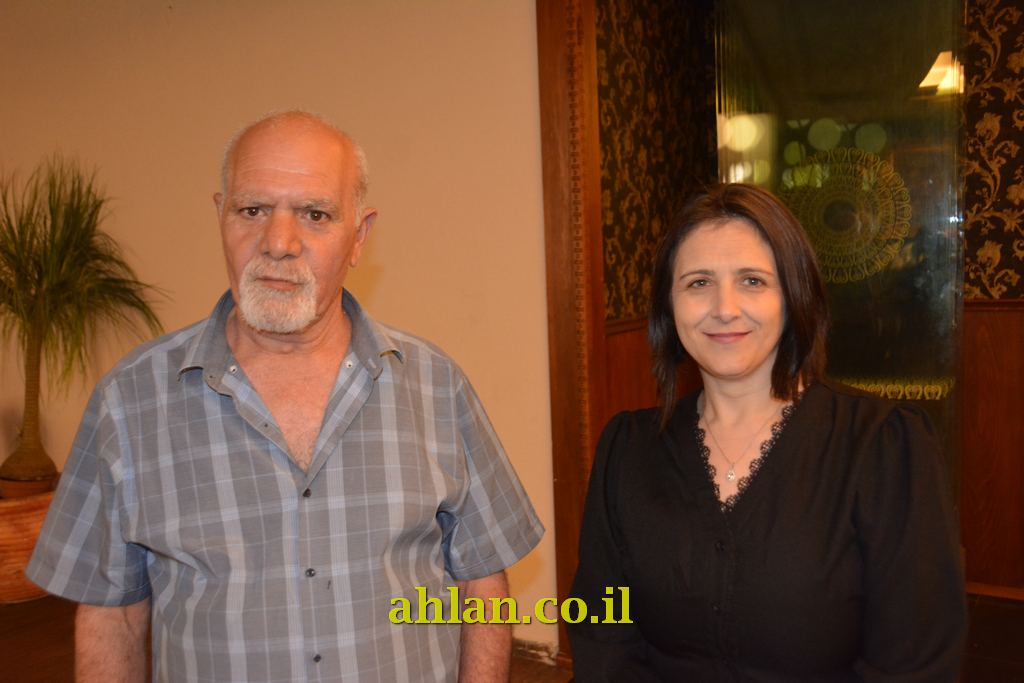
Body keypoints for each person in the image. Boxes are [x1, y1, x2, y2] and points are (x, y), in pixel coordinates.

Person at [27, 111, 543, 682]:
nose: (278, 242)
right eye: (252, 210)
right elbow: (113, 616)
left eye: (315, 215)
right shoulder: (129, 401)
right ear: (220, 216)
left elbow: (482, 583)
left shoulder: (436, 386)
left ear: (359, 236)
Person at [568, 183, 965, 681]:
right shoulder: (628, 451)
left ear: (793, 296)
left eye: (752, 281)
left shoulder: (882, 447)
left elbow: (915, 662)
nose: (725, 308)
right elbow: (604, 635)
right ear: (669, 306)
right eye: (698, 283)